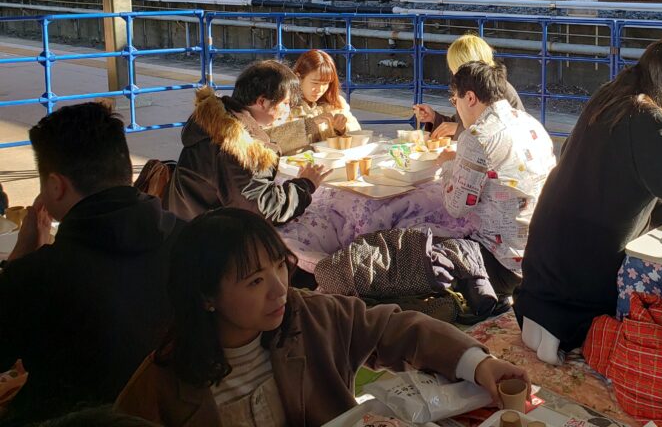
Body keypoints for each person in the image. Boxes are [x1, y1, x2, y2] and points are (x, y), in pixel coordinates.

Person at [116, 208, 529, 426]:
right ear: (206, 296)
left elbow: (394, 329)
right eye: (255, 281)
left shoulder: (309, 317)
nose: (279, 289)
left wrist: (479, 364)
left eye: (280, 267)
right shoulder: (162, 382)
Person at [515, 38, 662, 363]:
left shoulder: (611, 96)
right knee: (590, 305)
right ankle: (566, 334)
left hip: (555, 234)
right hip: (585, 253)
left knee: (550, 297)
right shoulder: (644, 116)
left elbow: (625, 175)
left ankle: (548, 328)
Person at [0, 103, 182, 423]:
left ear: (55, 186)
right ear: (126, 171)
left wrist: (20, 258)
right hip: (173, 412)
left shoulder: (37, 275)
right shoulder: (189, 238)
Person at [438, 61, 555, 297]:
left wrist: (448, 165)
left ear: (470, 98)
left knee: (415, 237)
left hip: (501, 264)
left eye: (454, 100)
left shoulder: (477, 136)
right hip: (541, 255)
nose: (456, 107)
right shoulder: (531, 123)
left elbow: (455, 207)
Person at [168, 60, 330, 223]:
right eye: (285, 103)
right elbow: (264, 209)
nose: (287, 110)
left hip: (188, 219)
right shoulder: (238, 146)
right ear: (262, 102)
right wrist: (305, 184)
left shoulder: (217, 119)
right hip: (206, 232)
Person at [414, 34, 524, 140]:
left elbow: (505, 134)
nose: (454, 74)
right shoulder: (470, 86)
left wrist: (459, 130)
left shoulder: (499, 89)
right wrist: (434, 118)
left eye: (455, 69)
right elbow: (460, 123)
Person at [266, 49, 361, 155]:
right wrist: (308, 126)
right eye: (315, 83)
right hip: (293, 164)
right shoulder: (282, 104)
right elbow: (267, 141)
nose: (320, 89)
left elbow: (359, 134)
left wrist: (342, 129)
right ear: (298, 77)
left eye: (325, 83)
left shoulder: (335, 103)